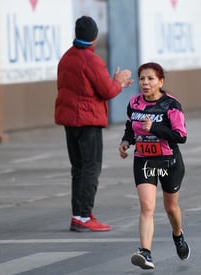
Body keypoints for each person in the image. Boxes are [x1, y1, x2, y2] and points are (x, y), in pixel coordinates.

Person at [55, 16, 133, 232]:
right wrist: (119, 81)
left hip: (70, 121)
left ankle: (79, 214)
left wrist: (115, 83)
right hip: (88, 120)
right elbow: (106, 91)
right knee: (91, 167)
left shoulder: (66, 58)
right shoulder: (91, 60)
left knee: (78, 168)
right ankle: (83, 216)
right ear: (94, 39)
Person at [118, 62, 190, 269]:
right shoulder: (134, 103)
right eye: (142, 78)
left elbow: (180, 136)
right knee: (147, 206)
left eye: (150, 79)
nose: (145, 83)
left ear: (161, 81)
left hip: (169, 161)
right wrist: (126, 142)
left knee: (170, 207)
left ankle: (178, 235)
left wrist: (155, 128)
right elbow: (130, 128)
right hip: (144, 160)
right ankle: (146, 253)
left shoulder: (171, 105)